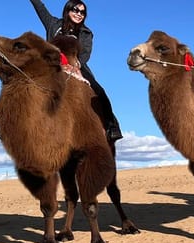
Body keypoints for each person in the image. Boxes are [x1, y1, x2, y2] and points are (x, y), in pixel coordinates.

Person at [29, 0, 123, 141]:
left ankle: (112, 126)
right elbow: (40, 7)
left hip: (77, 65)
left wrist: (75, 66)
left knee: (99, 91)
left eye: (83, 12)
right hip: (52, 66)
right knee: (26, 86)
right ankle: (18, 126)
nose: (79, 14)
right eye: (76, 10)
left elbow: (85, 54)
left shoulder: (86, 33)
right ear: (67, 10)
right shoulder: (53, 24)